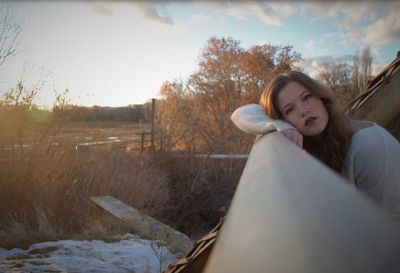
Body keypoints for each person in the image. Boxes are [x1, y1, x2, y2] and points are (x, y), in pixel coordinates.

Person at [231, 70, 400, 219]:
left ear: (321, 98)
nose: (303, 111)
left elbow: (374, 226)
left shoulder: (369, 147)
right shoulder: (317, 143)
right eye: (289, 110)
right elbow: (241, 114)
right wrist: (281, 126)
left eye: (306, 98)